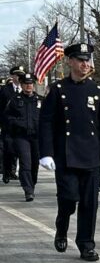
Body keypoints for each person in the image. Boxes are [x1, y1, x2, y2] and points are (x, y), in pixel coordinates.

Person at [38, 43, 100, 262]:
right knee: (69, 199)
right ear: (70, 61)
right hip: (65, 155)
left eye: (87, 60)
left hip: (91, 156)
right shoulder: (58, 89)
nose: (85, 64)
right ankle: (62, 227)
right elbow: (46, 123)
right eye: (80, 60)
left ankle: (86, 245)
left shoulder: (98, 91)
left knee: (90, 204)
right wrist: (46, 152)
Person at [3, 72, 42, 201]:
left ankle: (32, 184)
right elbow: (7, 118)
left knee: (35, 164)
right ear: (22, 85)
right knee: (26, 163)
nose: (28, 86)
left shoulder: (40, 100)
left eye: (30, 84)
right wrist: (18, 124)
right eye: (26, 84)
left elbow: (48, 118)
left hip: (36, 137)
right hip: (21, 137)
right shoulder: (14, 100)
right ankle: (28, 190)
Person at [1, 65, 25, 183]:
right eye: (17, 75)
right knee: (8, 150)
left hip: (22, 126)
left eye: (21, 75)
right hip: (8, 125)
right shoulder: (5, 90)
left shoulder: (26, 88)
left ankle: (16, 172)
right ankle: (6, 172)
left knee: (21, 151)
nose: (19, 77)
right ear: (12, 76)